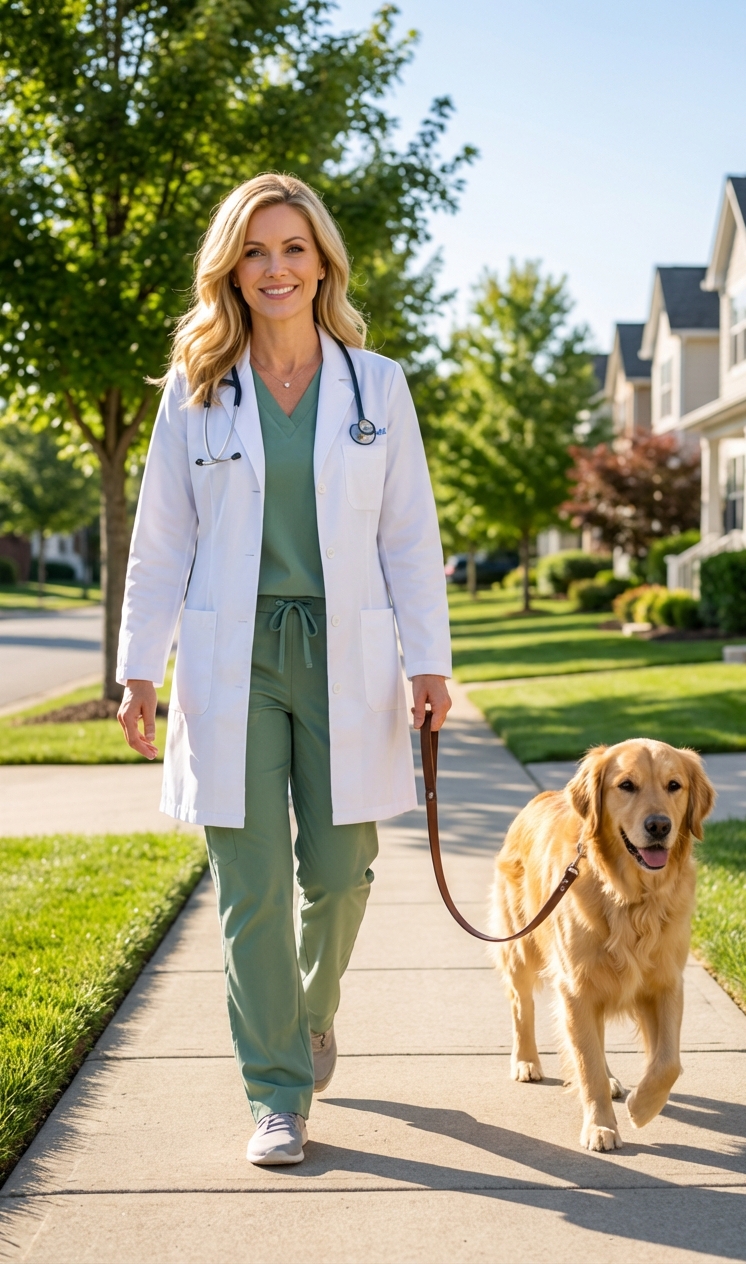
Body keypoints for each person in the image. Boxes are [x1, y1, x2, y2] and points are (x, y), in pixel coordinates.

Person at [116, 172, 451, 1166]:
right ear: (231, 266)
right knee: (249, 882)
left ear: (322, 263)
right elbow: (160, 540)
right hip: (234, 656)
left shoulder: (373, 383)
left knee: (342, 871)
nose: (274, 269)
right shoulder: (197, 386)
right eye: (254, 251)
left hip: (343, 649)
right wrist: (139, 668)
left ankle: (308, 1016)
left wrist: (427, 661)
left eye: (292, 249)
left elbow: (407, 532)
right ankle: (275, 1092)